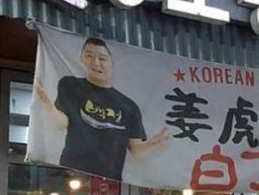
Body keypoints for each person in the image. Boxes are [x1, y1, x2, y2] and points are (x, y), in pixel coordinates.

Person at [34, 38, 169, 180]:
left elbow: (135, 149)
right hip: (71, 173)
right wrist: (48, 105)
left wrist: (153, 143)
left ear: (112, 64)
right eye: (89, 56)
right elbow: (61, 123)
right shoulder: (70, 85)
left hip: (110, 180)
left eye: (102, 58)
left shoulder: (129, 106)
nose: (96, 62)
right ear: (81, 60)